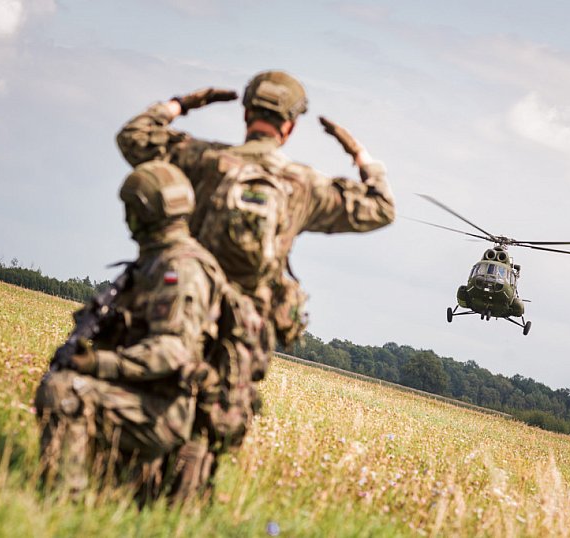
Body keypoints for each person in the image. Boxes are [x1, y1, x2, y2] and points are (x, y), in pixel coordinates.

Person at [115, 70, 396, 354]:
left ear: (246, 114)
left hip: (175, 314)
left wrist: (180, 104)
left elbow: (133, 137)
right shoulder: (305, 187)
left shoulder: (202, 159)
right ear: (290, 127)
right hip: (239, 341)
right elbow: (383, 208)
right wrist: (360, 155)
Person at [34, 161, 262, 503]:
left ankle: (64, 504)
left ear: (141, 212)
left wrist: (98, 363)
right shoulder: (156, 261)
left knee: (65, 391)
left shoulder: (180, 267)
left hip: (163, 409)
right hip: (142, 394)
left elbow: (173, 350)